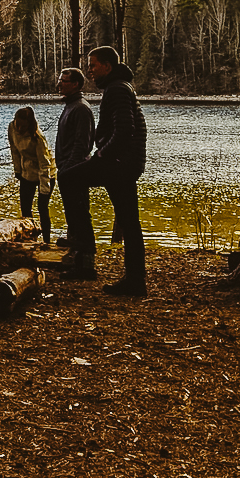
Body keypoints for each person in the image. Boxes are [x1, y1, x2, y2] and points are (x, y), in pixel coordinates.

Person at [58, 45, 148, 296]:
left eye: (94, 65)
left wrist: (102, 154)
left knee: (67, 178)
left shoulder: (117, 89)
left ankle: (82, 243)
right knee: (130, 222)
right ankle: (135, 281)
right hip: (125, 162)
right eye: (89, 65)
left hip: (118, 163)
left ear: (107, 66)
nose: (90, 70)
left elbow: (125, 129)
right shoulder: (120, 87)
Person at [54, 67, 96, 256]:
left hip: (75, 172)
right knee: (73, 217)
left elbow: (82, 145)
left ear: (76, 84)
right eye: (60, 80)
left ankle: (86, 264)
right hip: (67, 171)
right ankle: (75, 257)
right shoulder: (71, 106)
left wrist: (68, 169)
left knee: (80, 216)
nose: (59, 84)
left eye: (64, 81)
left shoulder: (80, 108)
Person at [7, 106, 56, 244]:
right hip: (27, 171)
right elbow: (14, 150)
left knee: (42, 207)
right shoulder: (12, 128)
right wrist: (18, 170)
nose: (20, 129)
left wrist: (44, 190)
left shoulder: (38, 138)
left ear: (29, 125)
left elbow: (44, 165)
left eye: (24, 126)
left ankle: (47, 241)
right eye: (18, 125)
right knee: (25, 208)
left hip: (45, 173)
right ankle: (29, 240)